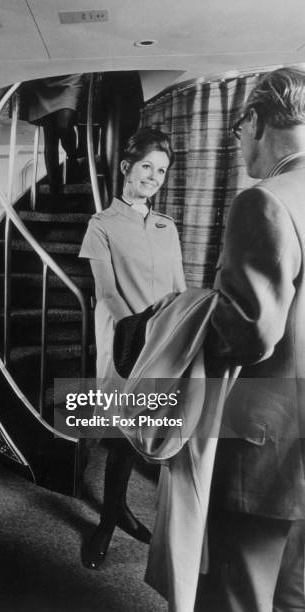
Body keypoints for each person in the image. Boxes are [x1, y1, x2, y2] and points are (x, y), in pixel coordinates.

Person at [195, 67, 305, 612]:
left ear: (257, 120)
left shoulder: (264, 201)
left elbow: (249, 334)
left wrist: (187, 315)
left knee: (241, 595)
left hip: (266, 451)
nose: (238, 147)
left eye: (238, 132)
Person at [78, 127, 186, 569]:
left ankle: (165, 530)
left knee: (163, 433)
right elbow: (106, 292)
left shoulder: (167, 226)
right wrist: (138, 334)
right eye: (147, 166)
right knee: (124, 440)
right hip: (128, 344)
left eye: (161, 171)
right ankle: (109, 520)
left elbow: (178, 288)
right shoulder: (101, 225)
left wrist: (181, 331)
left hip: (167, 341)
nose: (154, 176)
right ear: (126, 167)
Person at [19, 74, 86, 193]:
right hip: (46, 78)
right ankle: (54, 187)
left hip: (72, 76)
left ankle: (73, 157)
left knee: (64, 126)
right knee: (50, 138)